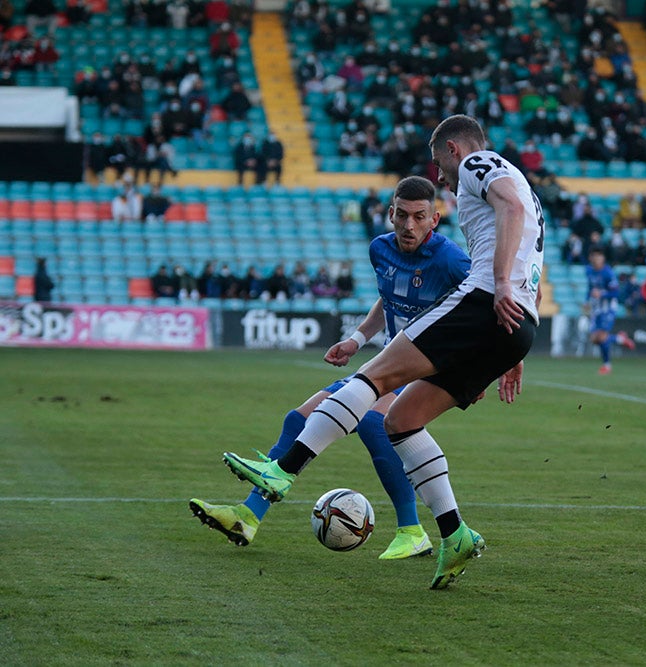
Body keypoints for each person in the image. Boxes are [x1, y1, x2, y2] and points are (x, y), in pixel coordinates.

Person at [218, 115, 544, 589]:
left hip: (483, 303)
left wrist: (496, 287)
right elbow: (530, 254)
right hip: (517, 324)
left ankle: (282, 473)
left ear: (453, 149)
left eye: (439, 165)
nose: (442, 178)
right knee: (401, 420)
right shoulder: (528, 188)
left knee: (370, 380)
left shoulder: (478, 162)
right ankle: (453, 535)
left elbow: (510, 211)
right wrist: (513, 349)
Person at [191, 176, 472, 559]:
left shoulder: (451, 260)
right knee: (299, 419)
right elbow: (388, 300)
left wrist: (489, 363)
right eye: (402, 215)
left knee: (375, 423)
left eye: (419, 217)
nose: (409, 225)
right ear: (390, 213)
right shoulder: (381, 250)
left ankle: (412, 530)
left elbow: (485, 306)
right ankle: (247, 516)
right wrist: (356, 339)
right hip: (390, 360)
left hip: (428, 367)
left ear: (435, 219)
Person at [584, 247, 636, 375]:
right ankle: (620, 338)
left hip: (608, 309)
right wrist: (586, 300)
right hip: (597, 309)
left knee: (601, 337)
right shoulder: (590, 271)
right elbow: (590, 287)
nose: (596, 259)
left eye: (599, 256)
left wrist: (601, 294)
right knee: (594, 339)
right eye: (594, 256)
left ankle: (607, 365)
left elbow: (616, 292)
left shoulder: (608, 273)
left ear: (603, 259)